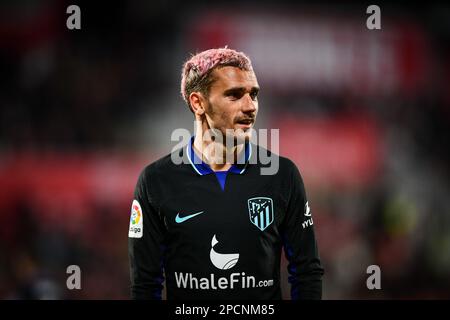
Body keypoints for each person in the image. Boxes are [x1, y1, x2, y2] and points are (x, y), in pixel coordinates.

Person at [128, 47, 324, 300]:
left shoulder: (282, 176)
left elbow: (307, 272)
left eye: (254, 94)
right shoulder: (156, 181)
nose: (250, 106)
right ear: (198, 102)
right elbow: (145, 285)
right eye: (234, 95)